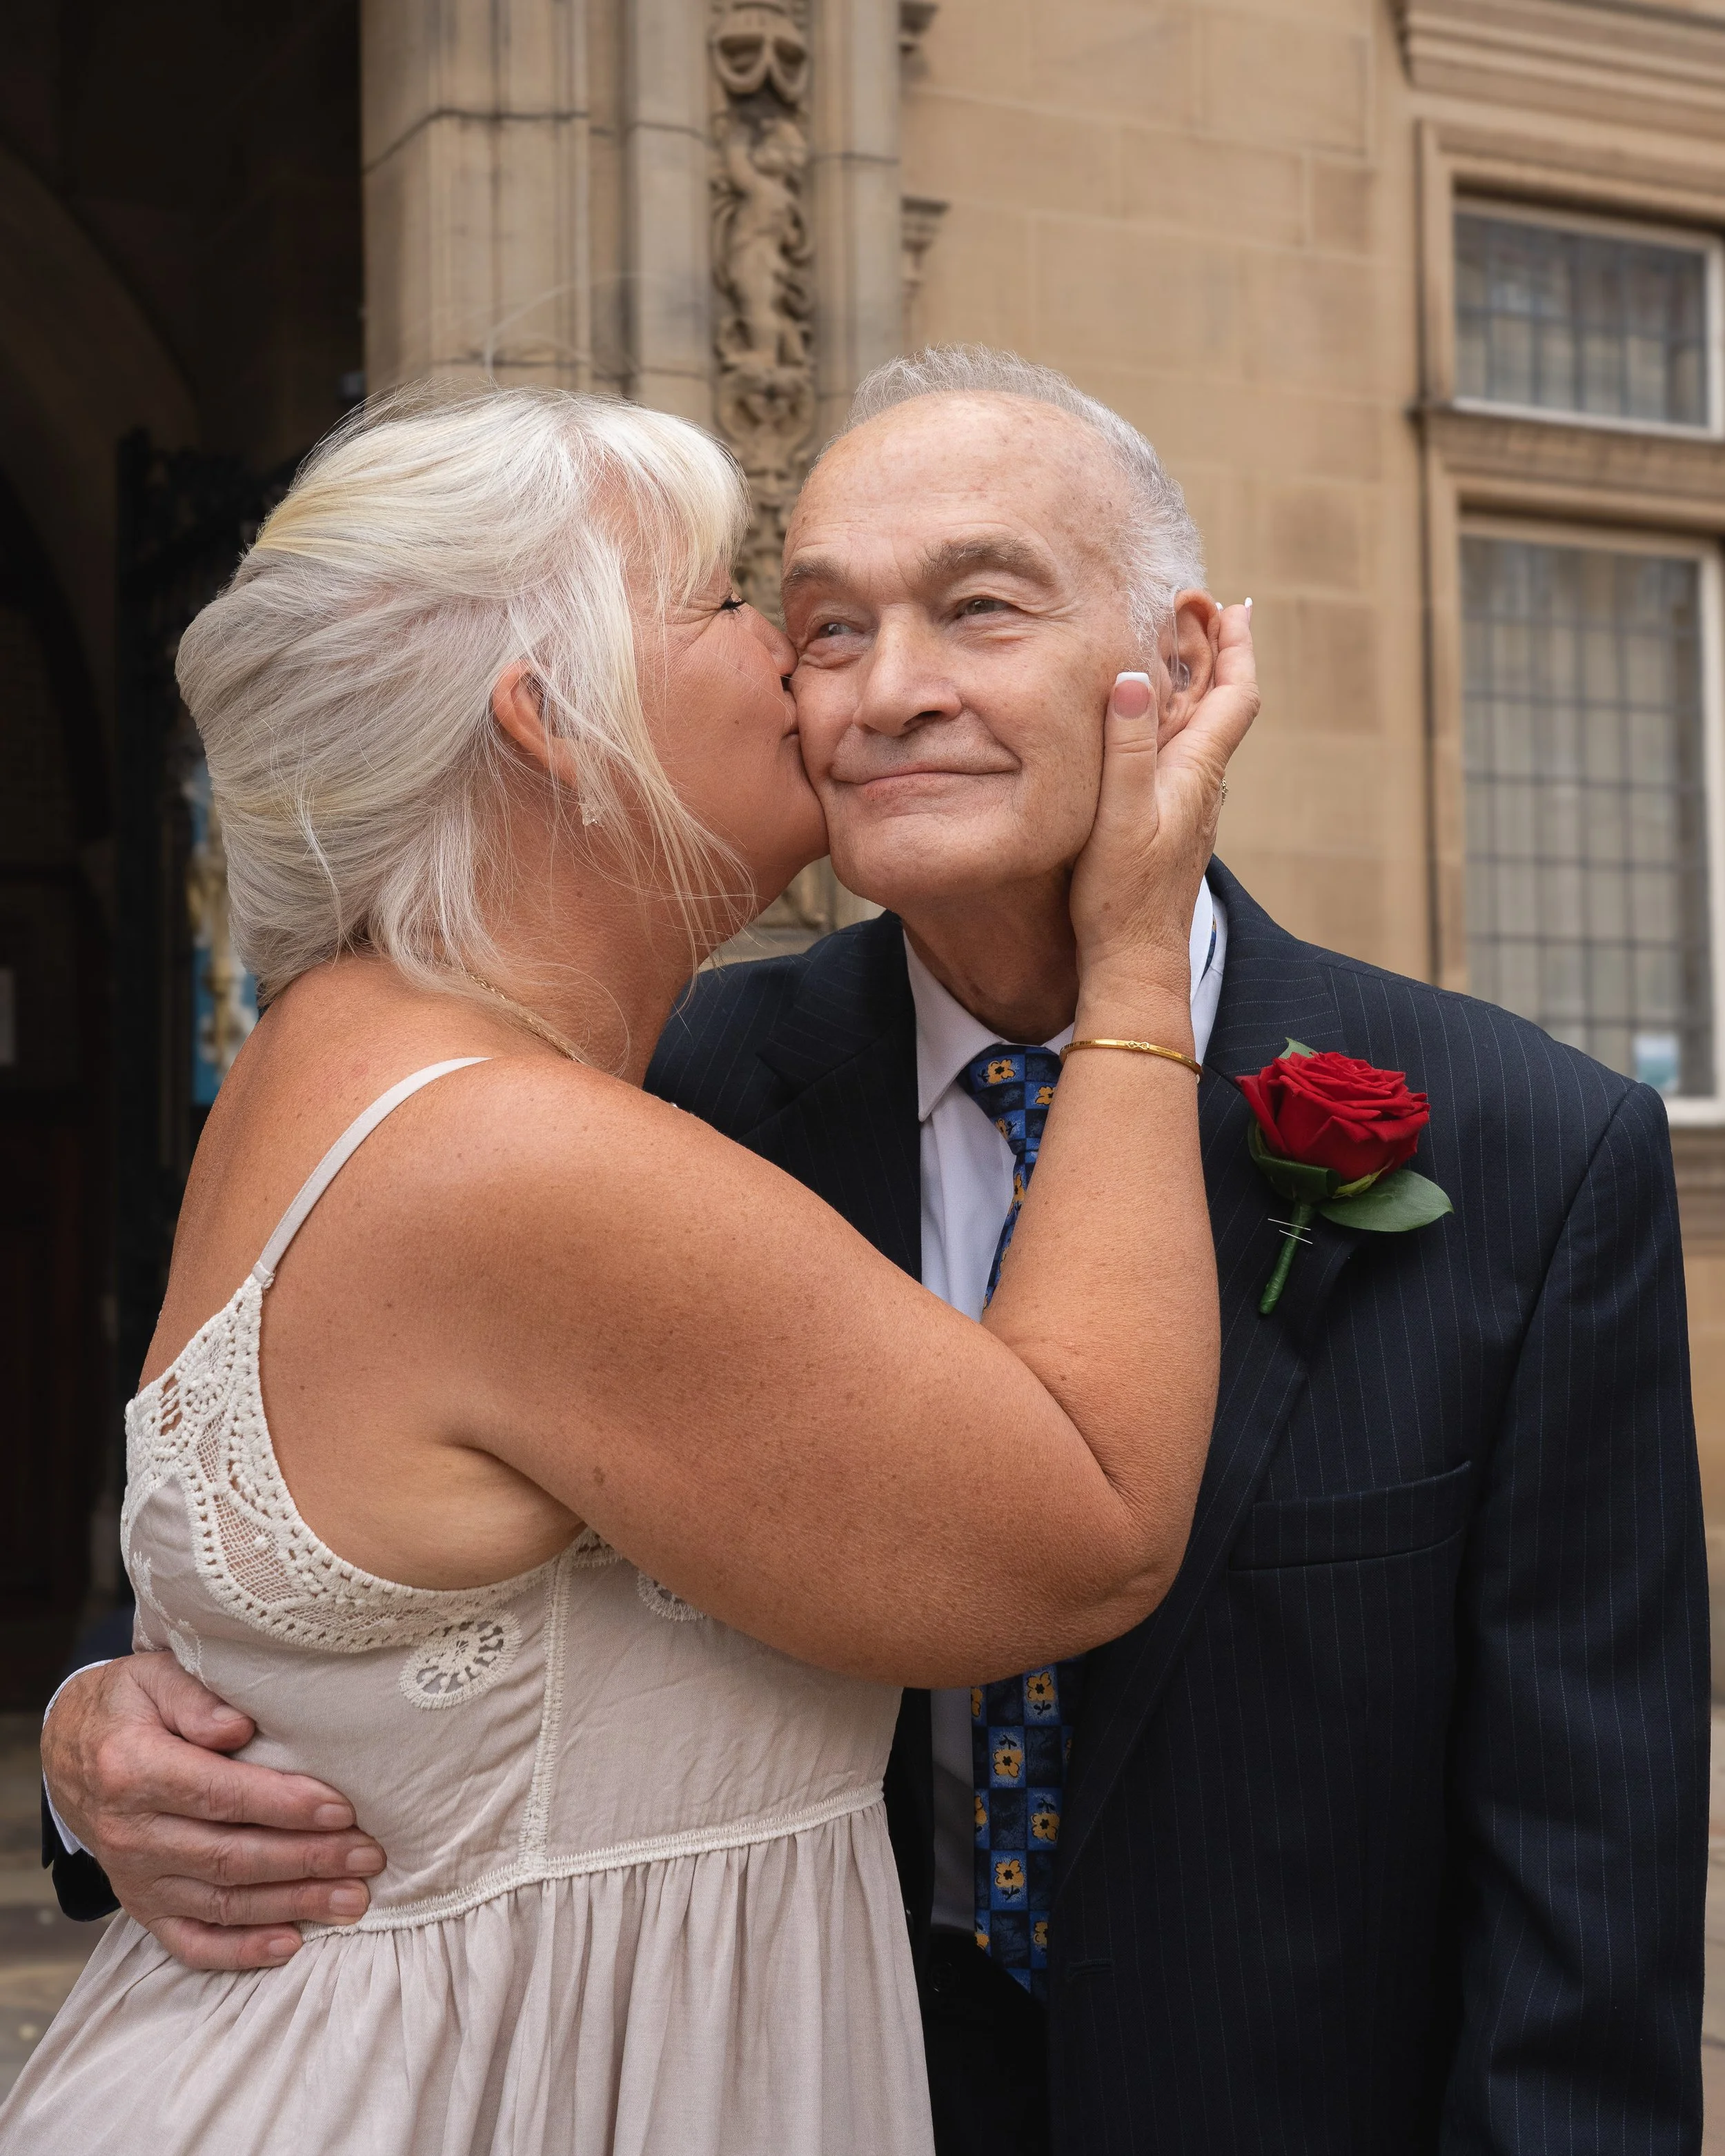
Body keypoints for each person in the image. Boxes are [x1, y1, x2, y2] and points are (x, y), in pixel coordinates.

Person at [41, 346, 1707, 2154]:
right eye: (809, 626)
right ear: (545, 717)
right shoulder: (641, 1100)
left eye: (978, 608)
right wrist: (107, 1741)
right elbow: (330, 1542)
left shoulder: (1531, 1150)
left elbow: (1583, 1876)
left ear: (1181, 663)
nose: (870, 689)